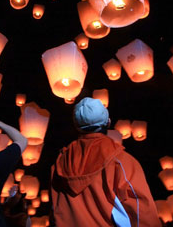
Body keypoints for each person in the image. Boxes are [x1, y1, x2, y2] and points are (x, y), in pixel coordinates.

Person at [50, 97, 161, 227]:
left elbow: (55, 209)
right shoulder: (121, 161)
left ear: (77, 126)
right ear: (108, 123)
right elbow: (140, 208)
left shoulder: (59, 164)